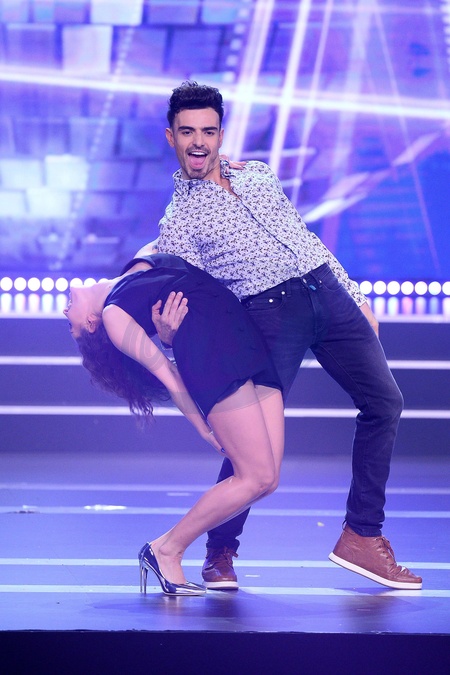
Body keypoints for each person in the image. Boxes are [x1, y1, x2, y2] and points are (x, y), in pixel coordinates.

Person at [151, 80, 422, 591]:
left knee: (385, 401)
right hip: (270, 315)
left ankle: (362, 536)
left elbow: (305, 237)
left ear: (220, 134)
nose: (199, 142)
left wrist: (354, 295)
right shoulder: (179, 221)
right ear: (172, 137)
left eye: (208, 130)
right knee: (251, 442)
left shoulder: (257, 175)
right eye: (187, 132)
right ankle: (220, 550)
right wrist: (169, 336)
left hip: (327, 294)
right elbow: (182, 297)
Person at [64, 250, 284, 596]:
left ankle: (166, 548)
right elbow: (169, 376)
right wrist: (202, 427)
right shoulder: (113, 315)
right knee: (254, 476)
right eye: (71, 324)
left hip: (246, 340)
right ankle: (166, 550)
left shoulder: (139, 265)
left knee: (267, 481)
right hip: (215, 356)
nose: (65, 312)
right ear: (92, 323)